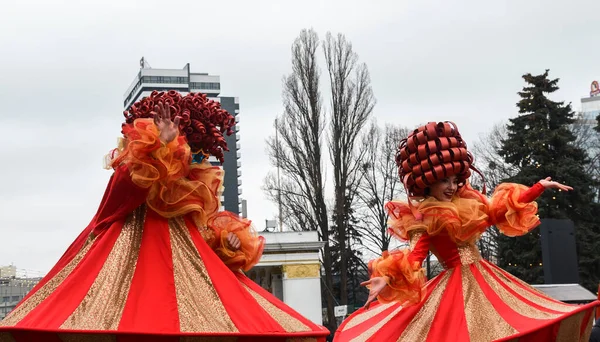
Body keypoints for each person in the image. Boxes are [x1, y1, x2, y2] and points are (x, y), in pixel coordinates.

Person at [0, 90, 329, 342]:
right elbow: (112, 204)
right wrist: (158, 150)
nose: (188, 160)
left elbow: (199, 231)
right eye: (184, 149)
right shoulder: (133, 174)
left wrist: (223, 246)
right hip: (129, 264)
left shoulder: (186, 192)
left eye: (194, 153)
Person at [334, 121, 599, 342]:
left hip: (485, 276)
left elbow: (499, 211)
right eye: (442, 180)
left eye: (454, 179)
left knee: (513, 325)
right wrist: (386, 280)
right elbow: (414, 258)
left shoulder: (469, 204)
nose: (450, 186)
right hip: (455, 284)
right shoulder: (423, 218)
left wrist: (538, 187)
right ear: (427, 182)